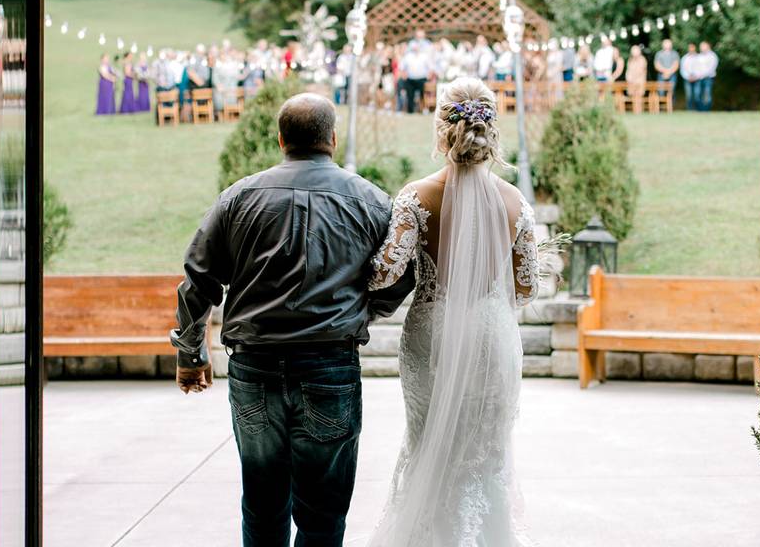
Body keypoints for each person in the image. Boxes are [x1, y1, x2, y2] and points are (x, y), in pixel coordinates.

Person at [171, 92, 416, 546]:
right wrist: (366, 309)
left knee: (262, 505)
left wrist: (190, 354)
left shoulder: (238, 198)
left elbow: (198, 279)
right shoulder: (371, 202)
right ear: (333, 140)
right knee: (323, 513)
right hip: (330, 367)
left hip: (254, 367)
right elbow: (402, 273)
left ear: (281, 139)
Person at [366, 76, 541, 546]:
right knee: (485, 454)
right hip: (491, 336)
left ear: (442, 129)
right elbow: (526, 289)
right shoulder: (515, 202)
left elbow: (383, 275)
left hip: (433, 334)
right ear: (490, 130)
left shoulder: (416, 196)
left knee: (428, 444)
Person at [400, 33, 432, 114]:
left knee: (423, 95)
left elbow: (430, 67)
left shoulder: (424, 56)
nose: (415, 48)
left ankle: (424, 109)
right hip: (410, 79)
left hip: (422, 78)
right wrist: (404, 75)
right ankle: (410, 111)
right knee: (410, 95)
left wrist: (429, 75)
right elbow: (402, 67)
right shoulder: (408, 56)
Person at [697, 40, 719, 111]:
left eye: (703, 46)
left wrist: (702, 74)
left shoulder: (712, 56)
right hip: (699, 78)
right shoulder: (699, 56)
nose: (701, 47)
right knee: (698, 94)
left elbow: (711, 68)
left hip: (708, 78)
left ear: (708, 46)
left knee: (707, 95)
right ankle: (700, 110)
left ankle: (706, 110)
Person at [625, 44, 648, 112]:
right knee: (633, 96)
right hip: (631, 81)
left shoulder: (642, 59)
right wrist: (628, 77)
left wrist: (633, 77)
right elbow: (628, 70)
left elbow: (641, 70)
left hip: (640, 81)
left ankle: (639, 110)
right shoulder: (630, 60)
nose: (634, 53)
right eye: (633, 51)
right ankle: (635, 110)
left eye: (635, 51)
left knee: (639, 96)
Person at [679, 43, 702, 111]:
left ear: (695, 48)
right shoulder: (684, 58)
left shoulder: (699, 58)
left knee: (697, 95)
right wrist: (688, 77)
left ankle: (698, 109)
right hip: (687, 79)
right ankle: (690, 110)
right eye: (690, 48)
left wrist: (696, 76)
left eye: (692, 47)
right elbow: (682, 69)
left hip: (697, 79)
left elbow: (701, 69)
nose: (691, 49)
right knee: (689, 95)